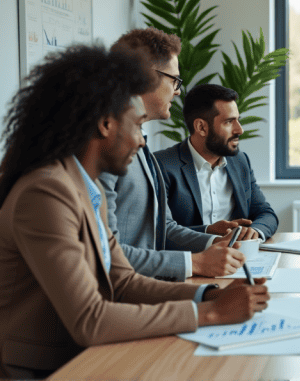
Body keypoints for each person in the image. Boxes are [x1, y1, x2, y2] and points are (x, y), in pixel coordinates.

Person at [0, 45, 269, 378]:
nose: (142, 142)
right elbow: (90, 320)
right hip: (45, 369)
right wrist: (211, 314)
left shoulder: (87, 186)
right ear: (105, 124)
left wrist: (210, 294)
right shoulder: (46, 192)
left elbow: (124, 281)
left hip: (89, 355)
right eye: (137, 124)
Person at [100, 28, 253, 282]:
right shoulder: (106, 146)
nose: (178, 91)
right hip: (125, 293)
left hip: (147, 286)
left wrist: (217, 243)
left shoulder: (140, 142)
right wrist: (195, 263)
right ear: (147, 77)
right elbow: (107, 252)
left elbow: (165, 228)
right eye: (175, 81)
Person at [154, 84, 278, 240]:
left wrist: (255, 231)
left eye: (238, 120)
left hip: (239, 256)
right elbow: (159, 230)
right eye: (228, 122)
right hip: (191, 260)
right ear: (201, 127)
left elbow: (266, 214)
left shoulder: (240, 162)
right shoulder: (161, 165)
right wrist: (208, 231)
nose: (239, 130)